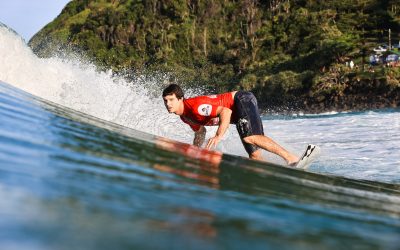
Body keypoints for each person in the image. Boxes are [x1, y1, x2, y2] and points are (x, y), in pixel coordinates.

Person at [162, 84, 300, 166]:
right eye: (165, 101)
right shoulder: (185, 117)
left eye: (171, 99)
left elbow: (225, 111)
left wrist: (218, 136)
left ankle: (291, 158)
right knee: (255, 156)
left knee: (250, 137)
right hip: (239, 110)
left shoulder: (195, 107)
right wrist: (195, 152)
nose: (168, 104)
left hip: (241, 99)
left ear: (180, 99)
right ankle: (278, 172)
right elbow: (200, 132)